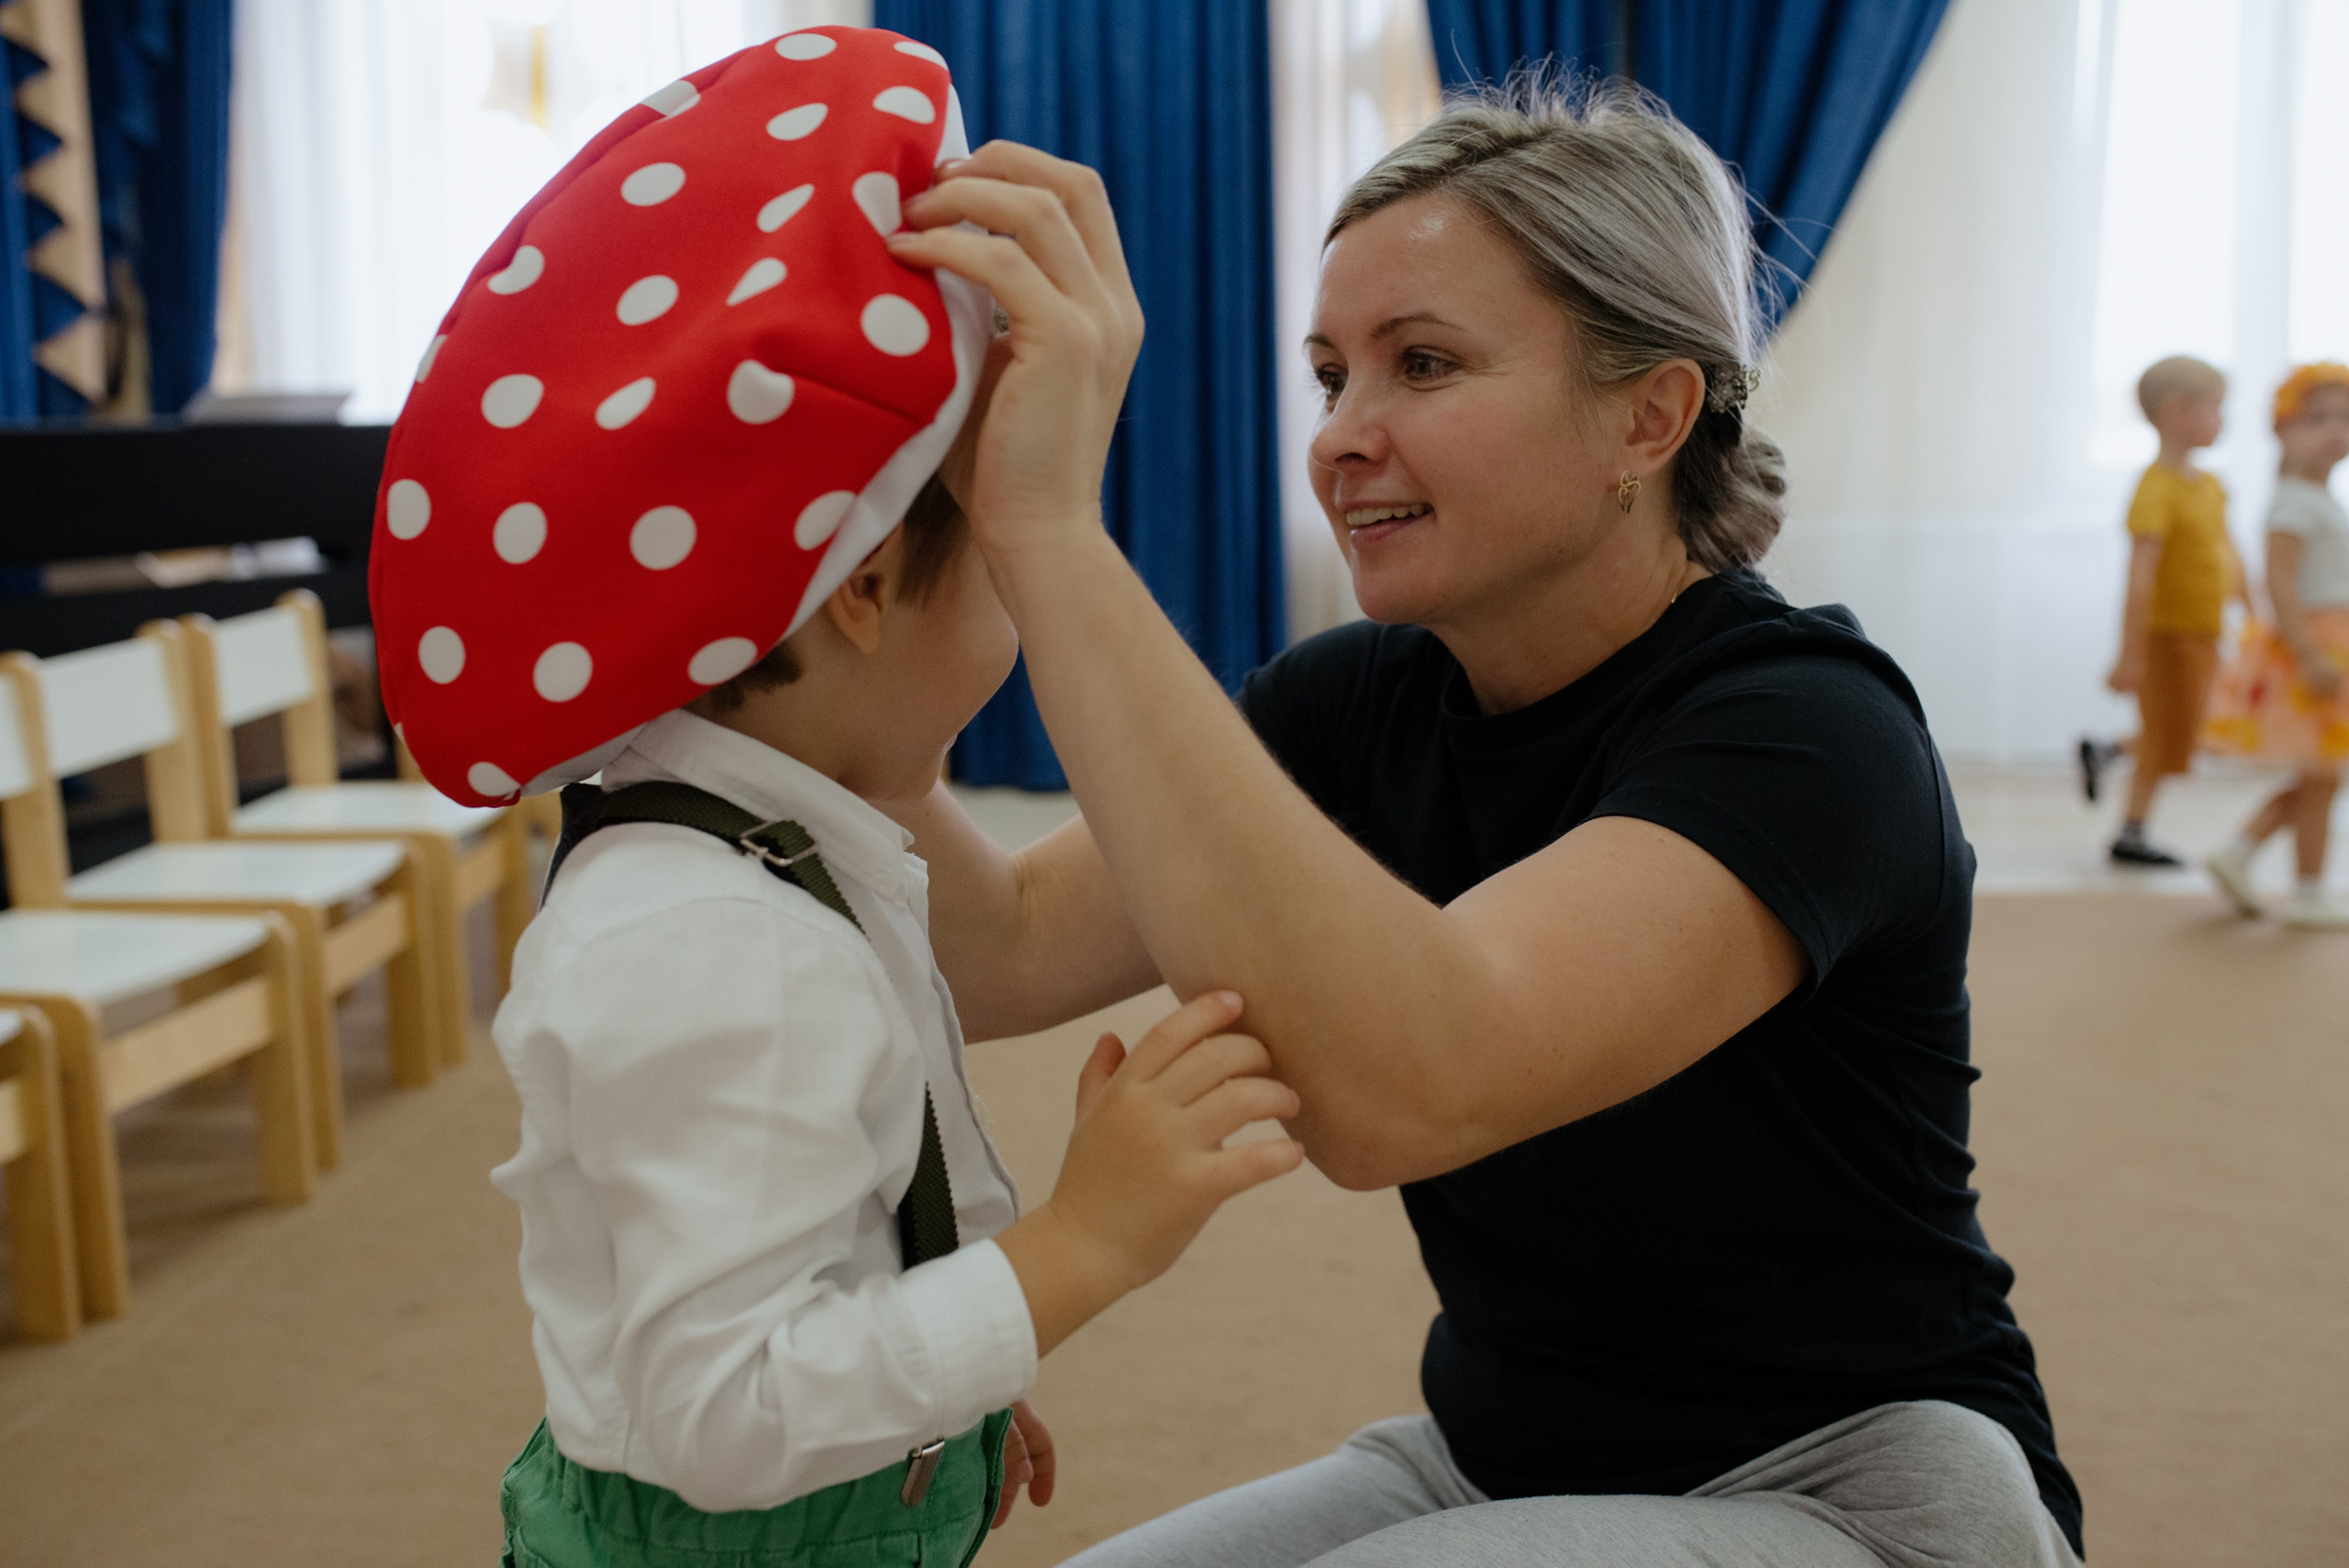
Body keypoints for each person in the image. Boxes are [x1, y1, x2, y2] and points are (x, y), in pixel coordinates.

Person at [882, 78, 2084, 1566]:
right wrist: (749, 675)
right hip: (1493, 1457)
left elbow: (1408, 1082)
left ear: (1649, 413)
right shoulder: (1349, 703)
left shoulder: (1810, 729)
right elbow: (994, 943)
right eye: (1332, 377)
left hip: (1863, 1490)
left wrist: (1047, 529)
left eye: (1423, 363)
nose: (1342, 438)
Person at [364, 28, 1302, 1568]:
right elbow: (724, 1411)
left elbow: (797, 1234)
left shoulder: (763, 841)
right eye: (1009, 544)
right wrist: (1077, 1246)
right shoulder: (718, 940)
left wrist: (945, 1392)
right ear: (869, 585)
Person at [2204, 361, 2349, 926]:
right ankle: (2308, 890)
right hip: (2315, 647)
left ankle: (2238, 851)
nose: (2335, 430)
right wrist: (2310, 655)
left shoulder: (2317, 497)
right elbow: (2279, 583)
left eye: (2344, 418)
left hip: (2331, 643)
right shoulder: (2295, 501)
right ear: (2283, 430)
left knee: (2322, 774)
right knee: (2324, 774)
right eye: (2318, 419)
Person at [2093, 355, 2244, 865]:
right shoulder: (2154, 489)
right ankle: (2130, 833)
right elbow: (2140, 578)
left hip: (2204, 632)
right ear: (2176, 411)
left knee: (2194, 727)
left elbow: (2229, 554)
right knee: (2167, 731)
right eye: (2217, 408)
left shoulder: (2211, 487)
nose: (2225, 420)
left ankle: (2108, 751)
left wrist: (2256, 611)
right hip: (2166, 635)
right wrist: (2130, 654)